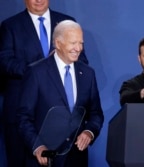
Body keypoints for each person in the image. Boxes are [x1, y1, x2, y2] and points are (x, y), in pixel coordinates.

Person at [0, 1, 88, 166]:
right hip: (23, 113)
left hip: (62, 117)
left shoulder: (67, 22)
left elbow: (82, 61)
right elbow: (4, 62)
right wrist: (41, 68)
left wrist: (62, 61)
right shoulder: (10, 26)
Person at [16, 20, 104, 167]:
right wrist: (37, 146)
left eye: (81, 43)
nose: (78, 48)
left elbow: (96, 113)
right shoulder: (36, 72)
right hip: (45, 159)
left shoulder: (88, 73)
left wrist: (89, 132)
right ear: (58, 43)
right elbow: (23, 117)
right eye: (73, 43)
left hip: (77, 159)